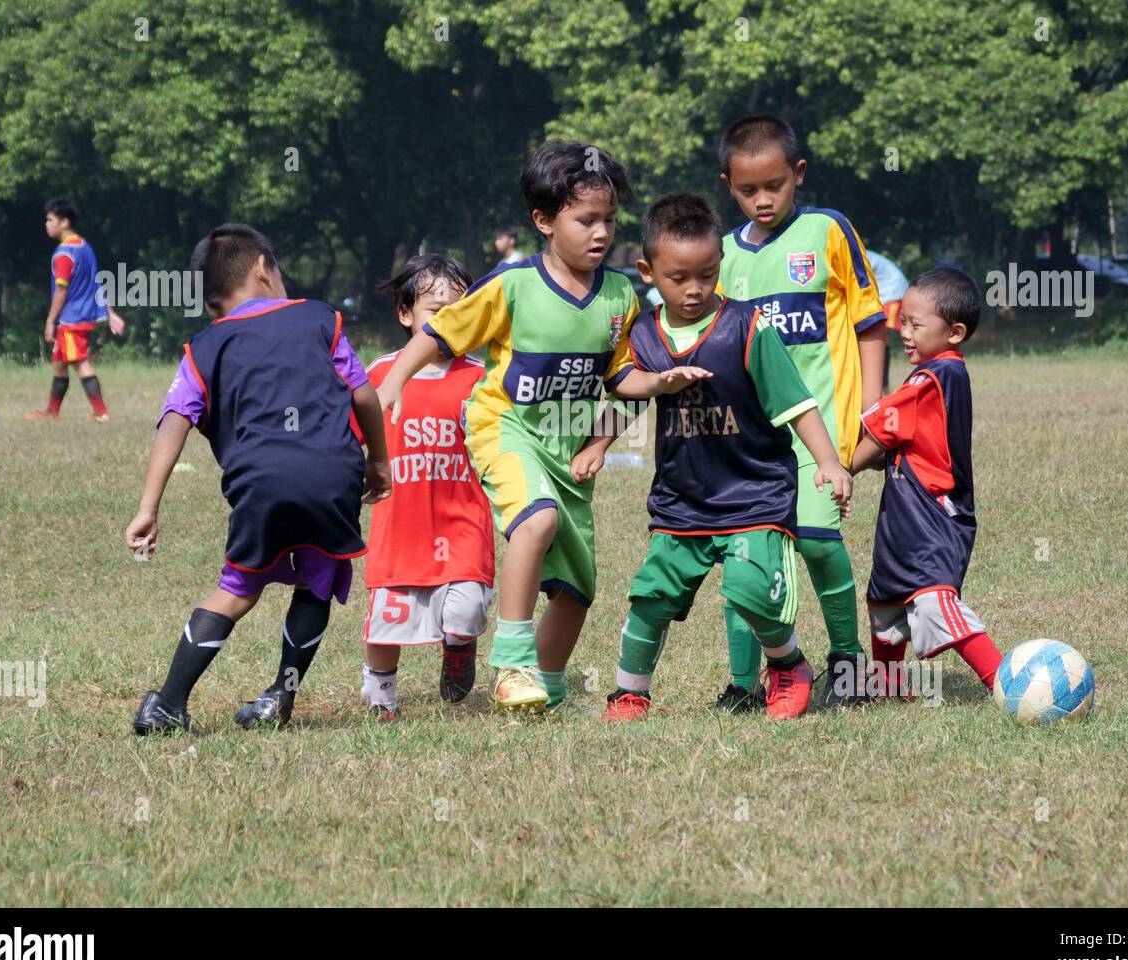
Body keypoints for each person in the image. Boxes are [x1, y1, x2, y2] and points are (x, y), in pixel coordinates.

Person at [375, 141, 706, 714]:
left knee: (577, 591)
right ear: (545, 221)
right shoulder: (512, 286)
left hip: (568, 443)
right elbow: (440, 333)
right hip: (505, 428)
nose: (601, 233)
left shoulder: (621, 295)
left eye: (608, 220)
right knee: (538, 519)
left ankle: (545, 693)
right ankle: (512, 662)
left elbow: (622, 375)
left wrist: (651, 390)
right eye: (586, 220)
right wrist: (393, 381)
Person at [572, 193, 853, 720]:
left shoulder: (748, 326)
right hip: (682, 502)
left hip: (755, 496)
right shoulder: (644, 335)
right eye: (679, 277)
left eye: (707, 273)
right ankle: (630, 693)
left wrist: (831, 463)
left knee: (751, 592)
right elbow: (627, 395)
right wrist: (598, 444)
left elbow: (796, 404)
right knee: (650, 600)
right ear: (647, 271)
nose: (695, 288)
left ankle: (788, 663)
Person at [126, 224, 390, 734]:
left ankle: (168, 704)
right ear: (263, 268)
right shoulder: (320, 318)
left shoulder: (204, 346)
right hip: (333, 473)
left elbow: (174, 421)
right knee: (316, 584)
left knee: (238, 590)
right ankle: (279, 700)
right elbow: (364, 395)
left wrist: (148, 507)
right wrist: (379, 461)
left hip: (259, 481)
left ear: (213, 305)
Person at [716, 115, 886, 710]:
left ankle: (847, 664)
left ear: (799, 175)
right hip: (751, 446)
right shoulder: (725, 260)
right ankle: (742, 685)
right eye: (747, 190)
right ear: (728, 186)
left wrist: (872, 413)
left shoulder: (828, 231)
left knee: (815, 539)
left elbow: (869, 325)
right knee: (746, 561)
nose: (763, 200)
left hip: (823, 436)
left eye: (776, 185)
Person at [850, 268, 1001, 696]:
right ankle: (890, 687)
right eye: (903, 321)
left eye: (917, 325)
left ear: (954, 333)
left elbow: (881, 430)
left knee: (934, 601)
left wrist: (843, 467)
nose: (905, 332)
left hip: (932, 514)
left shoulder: (931, 376)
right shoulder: (939, 372)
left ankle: (1005, 680)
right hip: (904, 509)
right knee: (884, 604)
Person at [356, 256, 495, 719]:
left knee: (469, 610)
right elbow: (349, 438)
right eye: (437, 311)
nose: (449, 321)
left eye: (460, 310)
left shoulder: (481, 378)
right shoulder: (379, 374)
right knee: (386, 623)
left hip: (463, 523)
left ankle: (459, 648)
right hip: (400, 528)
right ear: (405, 313)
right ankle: (381, 699)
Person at [24, 198, 125, 421]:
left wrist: (50, 321)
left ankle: (101, 413)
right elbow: (97, 282)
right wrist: (110, 313)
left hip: (71, 320)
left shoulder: (64, 254)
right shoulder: (85, 247)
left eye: (50, 219)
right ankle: (52, 412)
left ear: (65, 222)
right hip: (82, 317)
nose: (46, 224)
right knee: (60, 363)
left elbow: (61, 291)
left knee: (80, 362)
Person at [865, 249, 908, 392]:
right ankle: (883, 385)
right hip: (889, 292)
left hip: (891, 292)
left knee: (881, 339)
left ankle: (882, 385)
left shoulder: (857, 254)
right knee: (882, 340)